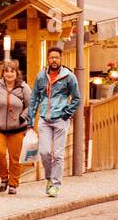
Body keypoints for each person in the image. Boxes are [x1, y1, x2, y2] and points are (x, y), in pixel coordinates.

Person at [27, 45, 81, 198]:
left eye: (56, 57)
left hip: (61, 120)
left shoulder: (69, 76)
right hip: (44, 119)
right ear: (48, 59)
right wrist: (30, 121)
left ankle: (55, 184)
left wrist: (67, 113)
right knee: (45, 152)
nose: (54, 60)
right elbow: (34, 98)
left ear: (61, 59)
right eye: (51, 58)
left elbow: (76, 98)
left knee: (58, 154)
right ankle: (50, 178)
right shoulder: (41, 77)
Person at [0, 59, 32, 194]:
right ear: (3, 73)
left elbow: (31, 106)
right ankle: (4, 177)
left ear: (17, 73)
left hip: (18, 129)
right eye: (6, 71)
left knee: (15, 158)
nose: (9, 74)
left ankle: (13, 184)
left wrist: (23, 117)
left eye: (12, 71)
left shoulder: (24, 88)